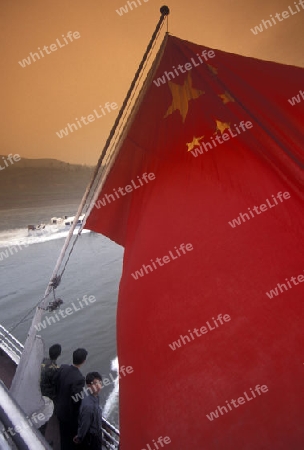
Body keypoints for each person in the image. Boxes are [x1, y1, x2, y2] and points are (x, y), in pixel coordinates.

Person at [55, 348, 88, 450]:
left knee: (62, 435)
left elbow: (55, 383)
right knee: (70, 438)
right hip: (68, 415)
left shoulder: (63, 368)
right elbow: (76, 401)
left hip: (58, 408)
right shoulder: (79, 378)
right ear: (83, 361)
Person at [73, 372, 103, 449]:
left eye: (100, 382)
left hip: (96, 433)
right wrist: (80, 437)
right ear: (88, 385)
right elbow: (85, 424)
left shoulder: (94, 396)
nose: (98, 386)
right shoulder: (89, 406)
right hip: (92, 438)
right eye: (95, 383)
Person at [39, 343, 62, 436]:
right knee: (44, 417)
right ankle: (41, 436)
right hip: (48, 396)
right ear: (58, 355)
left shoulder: (43, 361)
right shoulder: (56, 369)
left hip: (39, 391)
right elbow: (57, 384)